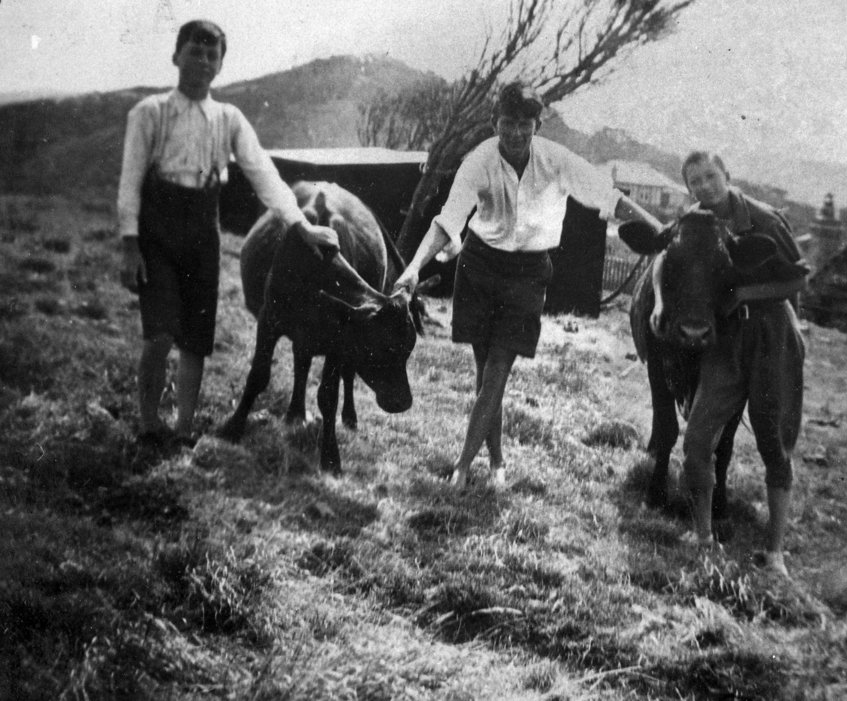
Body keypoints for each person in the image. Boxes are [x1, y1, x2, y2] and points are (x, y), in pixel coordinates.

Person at [394, 82, 664, 488]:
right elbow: (449, 220)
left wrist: (658, 227)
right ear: (494, 123)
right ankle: (498, 464)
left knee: (498, 369)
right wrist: (414, 267)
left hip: (528, 273)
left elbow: (606, 197)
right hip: (480, 265)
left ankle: (462, 468)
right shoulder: (478, 161)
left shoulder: (556, 159)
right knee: (486, 374)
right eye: (507, 124)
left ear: (537, 125)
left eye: (525, 124)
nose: (516, 133)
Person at [117, 19, 341, 446]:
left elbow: (263, 174)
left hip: (203, 231)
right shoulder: (149, 113)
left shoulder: (228, 118)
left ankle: (184, 429)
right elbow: (129, 183)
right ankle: (148, 424)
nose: (202, 61)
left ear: (220, 65)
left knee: (196, 340)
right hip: (158, 231)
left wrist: (301, 225)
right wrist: (130, 245)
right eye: (194, 51)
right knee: (160, 333)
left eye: (210, 54)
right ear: (176, 56)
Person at [656, 151, 806, 576]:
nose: (704, 186)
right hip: (725, 339)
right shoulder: (695, 220)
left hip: (772, 335)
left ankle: (774, 554)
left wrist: (744, 296)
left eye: (710, 176)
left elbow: (798, 278)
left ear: (727, 175)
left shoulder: (764, 219)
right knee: (698, 437)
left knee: (774, 444)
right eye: (695, 181)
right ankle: (702, 537)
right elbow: (663, 257)